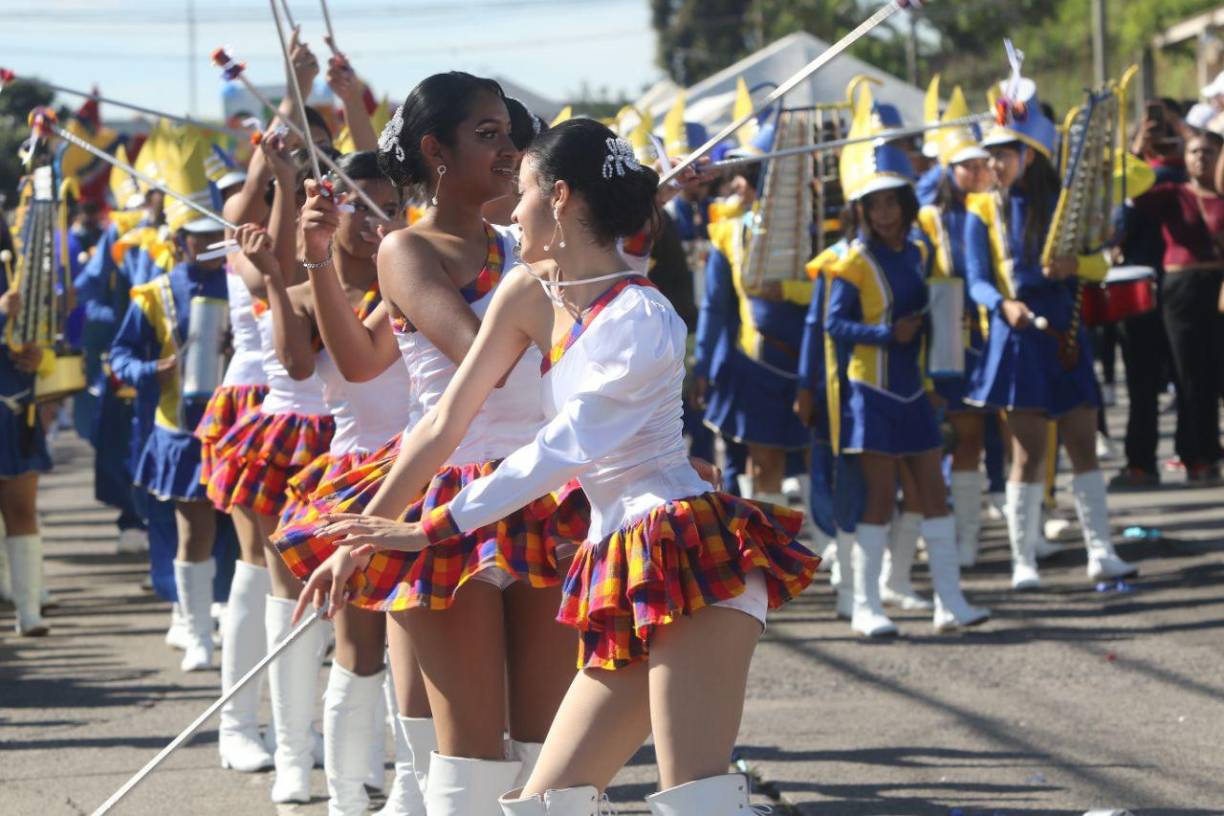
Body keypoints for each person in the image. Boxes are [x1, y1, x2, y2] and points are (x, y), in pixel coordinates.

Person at [289, 116, 819, 816]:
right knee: (547, 804)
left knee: (697, 800)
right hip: (622, 559)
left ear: (561, 197)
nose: (513, 206)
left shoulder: (643, 318)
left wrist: (434, 529)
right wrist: (367, 532)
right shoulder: (533, 290)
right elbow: (449, 417)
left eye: (527, 190)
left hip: (688, 557)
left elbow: (562, 448)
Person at [273, 72, 583, 815]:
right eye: (488, 136)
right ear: (434, 150)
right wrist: (316, 259)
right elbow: (482, 358)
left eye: (512, 136)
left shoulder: (526, 247)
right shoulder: (406, 251)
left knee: (552, 753)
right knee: (469, 756)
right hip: (446, 499)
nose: (510, 150)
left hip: (541, 492)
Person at [236, 148, 417, 815]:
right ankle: (332, 789)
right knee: (356, 646)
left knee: (417, 648)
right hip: (354, 477)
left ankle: (405, 787)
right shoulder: (315, 290)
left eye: (390, 211)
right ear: (329, 209)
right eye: (359, 210)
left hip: (424, 473)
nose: (377, 226)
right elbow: (292, 363)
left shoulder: (420, 274)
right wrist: (284, 277)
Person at [826, 86, 989, 637]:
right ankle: (867, 606)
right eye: (875, 204)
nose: (886, 211)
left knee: (932, 492)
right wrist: (882, 332)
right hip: (871, 393)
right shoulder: (851, 261)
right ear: (863, 209)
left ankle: (950, 601)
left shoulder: (918, 251)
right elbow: (834, 324)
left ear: (905, 201)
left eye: (893, 200)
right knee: (878, 498)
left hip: (915, 391)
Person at [966, 72, 1138, 590]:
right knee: (1027, 454)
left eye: (1005, 152)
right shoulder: (982, 211)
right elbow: (976, 280)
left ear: (1031, 154)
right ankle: (1024, 560)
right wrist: (1003, 304)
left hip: (1064, 330)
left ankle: (1101, 552)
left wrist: (1075, 268)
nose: (994, 163)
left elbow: (1101, 266)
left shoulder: (1068, 202)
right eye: (992, 154)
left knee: (1083, 442)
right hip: (1017, 337)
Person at [109, 216, 232, 668]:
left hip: (242, 426)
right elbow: (120, 355)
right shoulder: (156, 292)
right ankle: (196, 630)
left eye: (216, 232)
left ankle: (234, 622)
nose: (210, 241)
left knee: (246, 537)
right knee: (193, 530)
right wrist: (151, 371)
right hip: (182, 430)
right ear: (181, 240)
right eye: (199, 233)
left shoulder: (245, 282)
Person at [914, 86, 996, 567]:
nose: (977, 171)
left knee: (985, 438)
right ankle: (954, 539)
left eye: (982, 163)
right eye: (967, 163)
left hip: (988, 335)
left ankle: (969, 533)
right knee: (957, 436)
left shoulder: (993, 210)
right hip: (946, 338)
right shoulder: (928, 216)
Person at [1128, 128, 1224, 483]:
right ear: (1185, 158)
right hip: (1181, 290)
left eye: (1210, 152)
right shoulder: (1172, 194)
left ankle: (1208, 451)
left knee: (1213, 374)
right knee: (1188, 374)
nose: (1201, 158)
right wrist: (1138, 151)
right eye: (1195, 152)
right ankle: (1193, 453)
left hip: (1218, 289)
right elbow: (1133, 193)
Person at [0, 224, 52, 637]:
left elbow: (52, 341)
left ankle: (29, 609)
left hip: (16, 408)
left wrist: (41, 360)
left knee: (22, 510)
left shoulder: (20, 268)